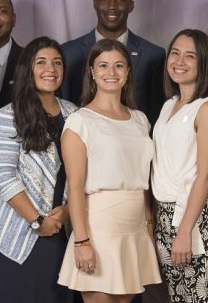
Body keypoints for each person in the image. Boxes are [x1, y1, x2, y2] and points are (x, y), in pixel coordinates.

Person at [58, 39, 161, 303]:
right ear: (92, 72)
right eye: (103, 65)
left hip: (135, 227)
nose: (111, 73)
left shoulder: (140, 119)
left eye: (118, 66)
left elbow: (144, 180)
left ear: (128, 71)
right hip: (99, 229)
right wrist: (82, 242)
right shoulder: (80, 121)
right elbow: (75, 188)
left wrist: (148, 224)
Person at [0, 37, 77, 302]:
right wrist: (37, 221)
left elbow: (83, 175)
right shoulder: (10, 114)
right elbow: (3, 176)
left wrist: (69, 210)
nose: (51, 68)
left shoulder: (74, 114)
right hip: (19, 231)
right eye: (42, 62)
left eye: (57, 62)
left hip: (62, 229)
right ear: (28, 69)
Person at [151, 29, 208, 302]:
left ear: (203, 62)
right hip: (165, 215)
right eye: (175, 53)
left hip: (194, 218)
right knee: (178, 298)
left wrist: (184, 232)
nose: (179, 61)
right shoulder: (169, 105)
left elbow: (205, 175)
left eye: (190, 56)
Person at [61, 0, 165, 125]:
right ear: (95, 3)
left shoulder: (153, 55)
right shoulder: (68, 53)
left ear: (131, 5)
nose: (112, 7)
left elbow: (156, 116)